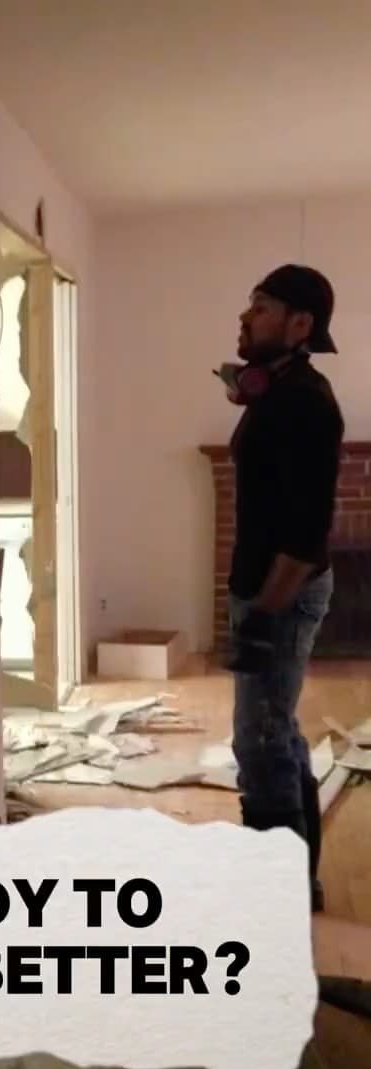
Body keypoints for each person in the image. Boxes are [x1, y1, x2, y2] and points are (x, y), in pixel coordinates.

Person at [216, 265, 344, 912]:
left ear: (300, 324)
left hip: (280, 592)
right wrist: (251, 394)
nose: (246, 317)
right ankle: (295, 883)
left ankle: (274, 896)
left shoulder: (306, 404)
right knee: (279, 734)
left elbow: (305, 533)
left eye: (262, 307)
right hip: (266, 587)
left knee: (259, 742)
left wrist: (264, 615)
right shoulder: (280, 391)